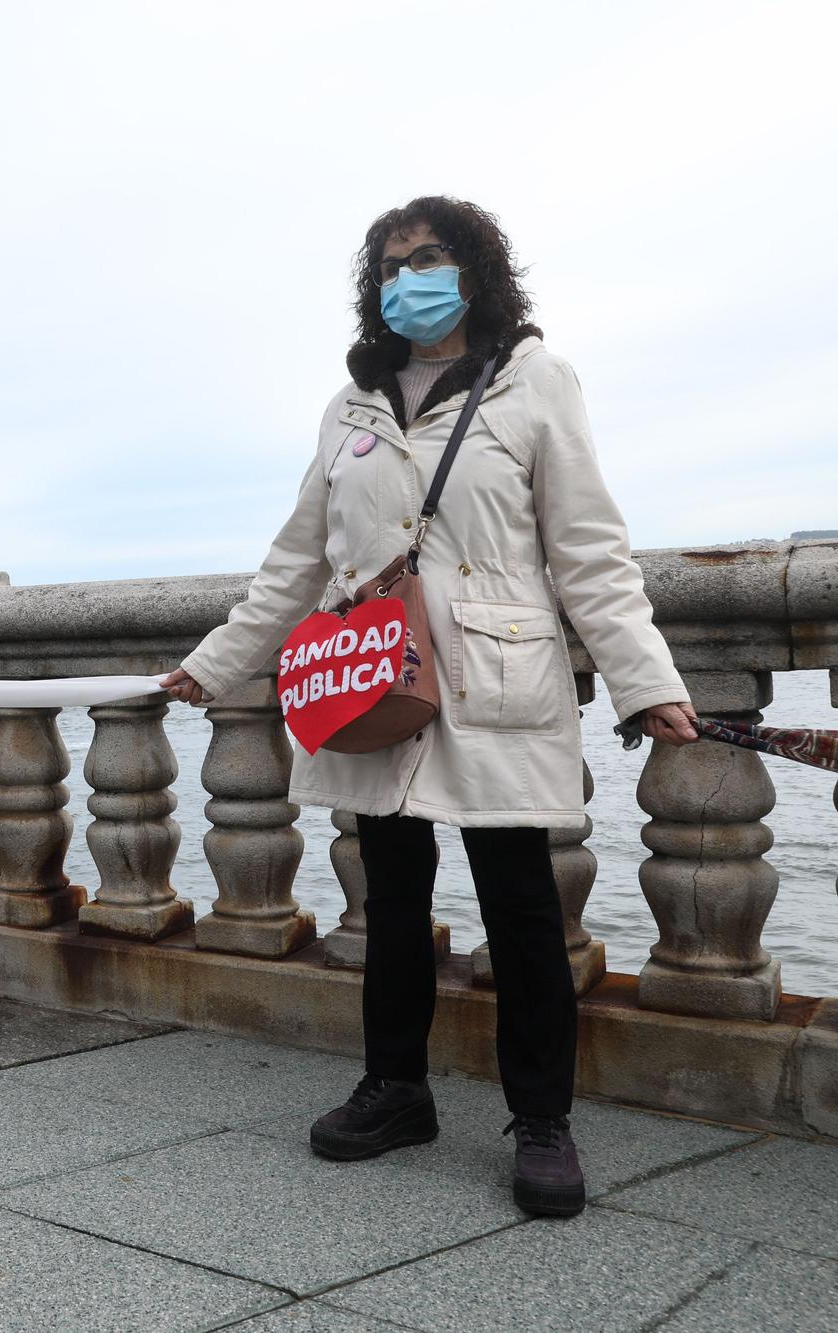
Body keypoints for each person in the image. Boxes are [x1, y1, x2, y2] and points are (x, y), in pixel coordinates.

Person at [161, 197, 697, 1219]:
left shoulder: (534, 380)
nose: (410, 275)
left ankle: (540, 1118)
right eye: (392, 262)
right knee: (388, 892)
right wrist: (214, 660)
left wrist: (645, 680)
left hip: (495, 676)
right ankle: (395, 1087)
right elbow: (294, 560)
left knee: (520, 904)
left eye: (430, 256)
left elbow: (585, 549)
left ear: (474, 269)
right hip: (376, 678)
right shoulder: (349, 405)